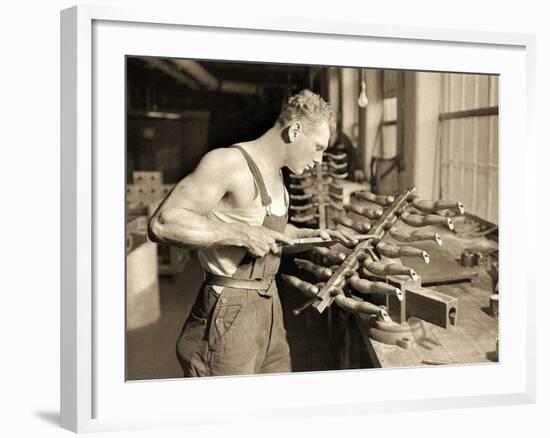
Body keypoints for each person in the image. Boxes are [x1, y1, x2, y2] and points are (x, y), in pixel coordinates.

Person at [148, 89, 357, 377]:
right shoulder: (228, 163)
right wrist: (243, 234)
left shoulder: (277, 174)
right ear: (295, 130)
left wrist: (319, 235)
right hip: (228, 311)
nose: (320, 160)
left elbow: (273, 234)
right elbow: (163, 223)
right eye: (318, 147)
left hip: (269, 305)